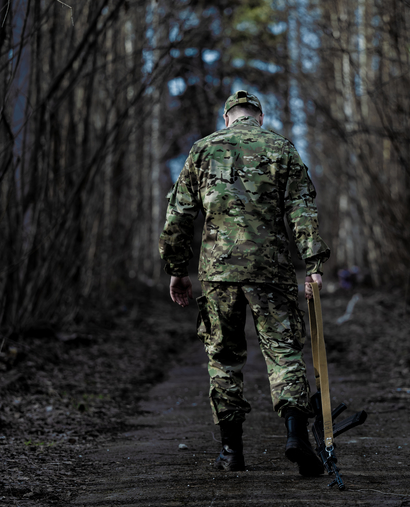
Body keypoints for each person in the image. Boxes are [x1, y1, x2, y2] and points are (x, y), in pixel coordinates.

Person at [158, 90, 330, 476]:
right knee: (284, 353)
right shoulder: (281, 148)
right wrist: (313, 263)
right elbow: (302, 207)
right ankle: (294, 435)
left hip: (218, 274)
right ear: (260, 117)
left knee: (223, 358)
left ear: (227, 119)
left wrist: (176, 268)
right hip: (271, 271)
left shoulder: (203, 150)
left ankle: (231, 452)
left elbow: (180, 213)